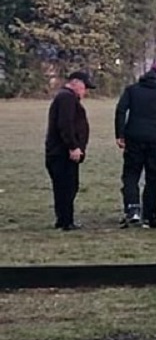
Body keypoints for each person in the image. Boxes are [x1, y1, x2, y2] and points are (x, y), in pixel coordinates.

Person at [114, 62, 156, 228]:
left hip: (133, 138)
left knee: (131, 176)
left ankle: (132, 209)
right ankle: (151, 215)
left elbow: (121, 111)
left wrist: (120, 135)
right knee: (153, 179)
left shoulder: (132, 90)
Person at [45, 70, 95, 231]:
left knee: (67, 186)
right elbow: (65, 125)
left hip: (60, 152)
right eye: (84, 88)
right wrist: (73, 146)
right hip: (62, 153)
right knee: (66, 187)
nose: (85, 92)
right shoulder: (67, 98)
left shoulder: (65, 97)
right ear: (76, 83)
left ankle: (65, 219)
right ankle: (65, 221)